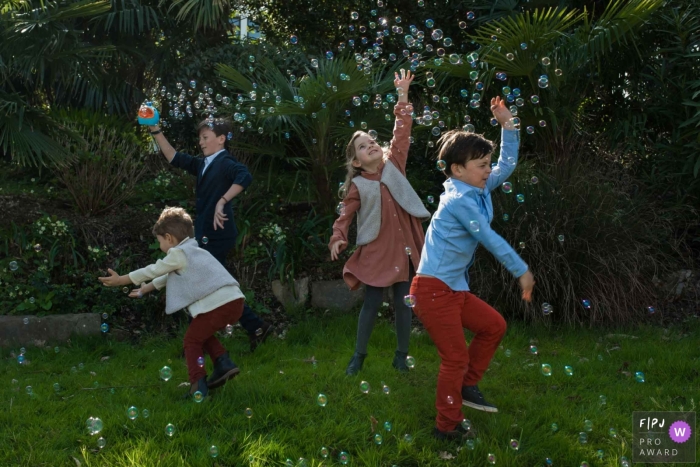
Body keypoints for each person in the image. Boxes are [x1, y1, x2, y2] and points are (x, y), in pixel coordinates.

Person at [410, 96, 536, 440]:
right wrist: (521, 270)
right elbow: (490, 238)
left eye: (487, 162)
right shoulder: (458, 200)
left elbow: (507, 165)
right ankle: (446, 426)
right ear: (457, 170)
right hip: (433, 290)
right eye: (481, 164)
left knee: (493, 326)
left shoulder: (478, 187)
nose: (488, 169)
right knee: (454, 357)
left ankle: (467, 386)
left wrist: (508, 125)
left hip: (453, 288)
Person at [329, 69, 430, 375]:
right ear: (357, 162)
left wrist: (402, 95)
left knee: (403, 302)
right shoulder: (358, 185)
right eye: (362, 145)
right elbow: (345, 213)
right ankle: (358, 356)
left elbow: (402, 131)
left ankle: (401, 355)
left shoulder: (394, 164)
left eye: (371, 139)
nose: (370, 143)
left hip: (405, 248)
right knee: (372, 302)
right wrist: (338, 236)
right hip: (377, 249)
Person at [144, 117, 272, 352]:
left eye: (206, 138)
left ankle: (197, 342)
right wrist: (155, 129)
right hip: (205, 234)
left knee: (204, 283)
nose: (201, 142)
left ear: (221, 139)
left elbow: (245, 176)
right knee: (216, 286)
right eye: (200, 138)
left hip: (218, 235)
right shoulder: (204, 163)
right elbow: (173, 156)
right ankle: (255, 327)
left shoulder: (225, 162)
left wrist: (223, 201)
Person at [98, 207, 244, 399]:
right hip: (234, 301)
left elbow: (155, 270)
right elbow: (170, 276)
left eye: (159, 241)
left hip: (218, 305)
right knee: (200, 333)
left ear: (169, 238)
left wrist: (122, 280)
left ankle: (198, 386)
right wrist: (145, 289)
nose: (160, 247)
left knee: (191, 340)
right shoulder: (194, 250)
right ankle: (223, 363)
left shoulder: (177, 253)